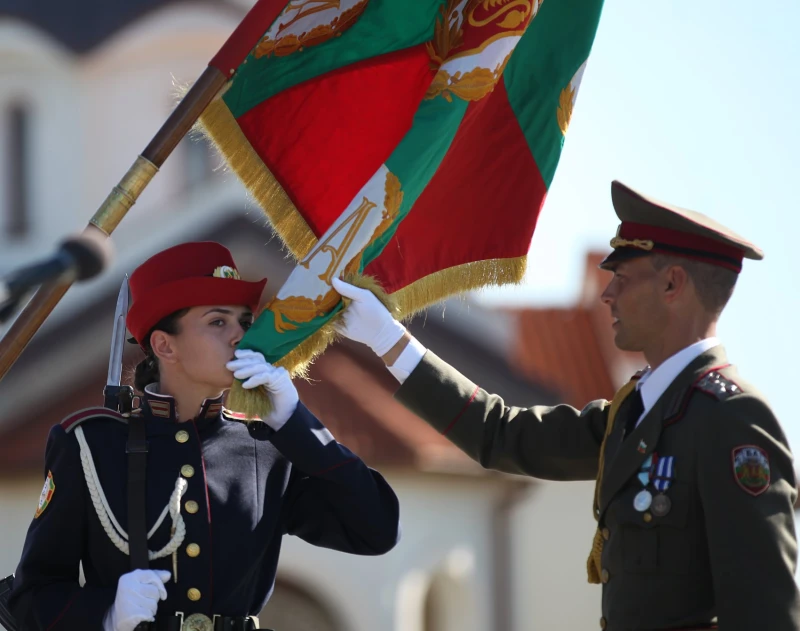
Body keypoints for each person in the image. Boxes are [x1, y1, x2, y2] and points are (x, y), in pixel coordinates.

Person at [332, 181, 800, 631]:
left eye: (622, 277)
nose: (606, 293)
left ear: (673, 284)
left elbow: (766, 614)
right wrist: (386, 340)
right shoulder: (633, 412)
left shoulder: (733, 420)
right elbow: (499, 434)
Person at [9, 241, 400, 631]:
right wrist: (106, 614)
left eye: (244, 322)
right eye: (218, 322)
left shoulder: (266, 447)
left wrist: (297, 423)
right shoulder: (89, 446)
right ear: (164, 345)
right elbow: (32, 597)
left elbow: (377, 529)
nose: (239, 336)